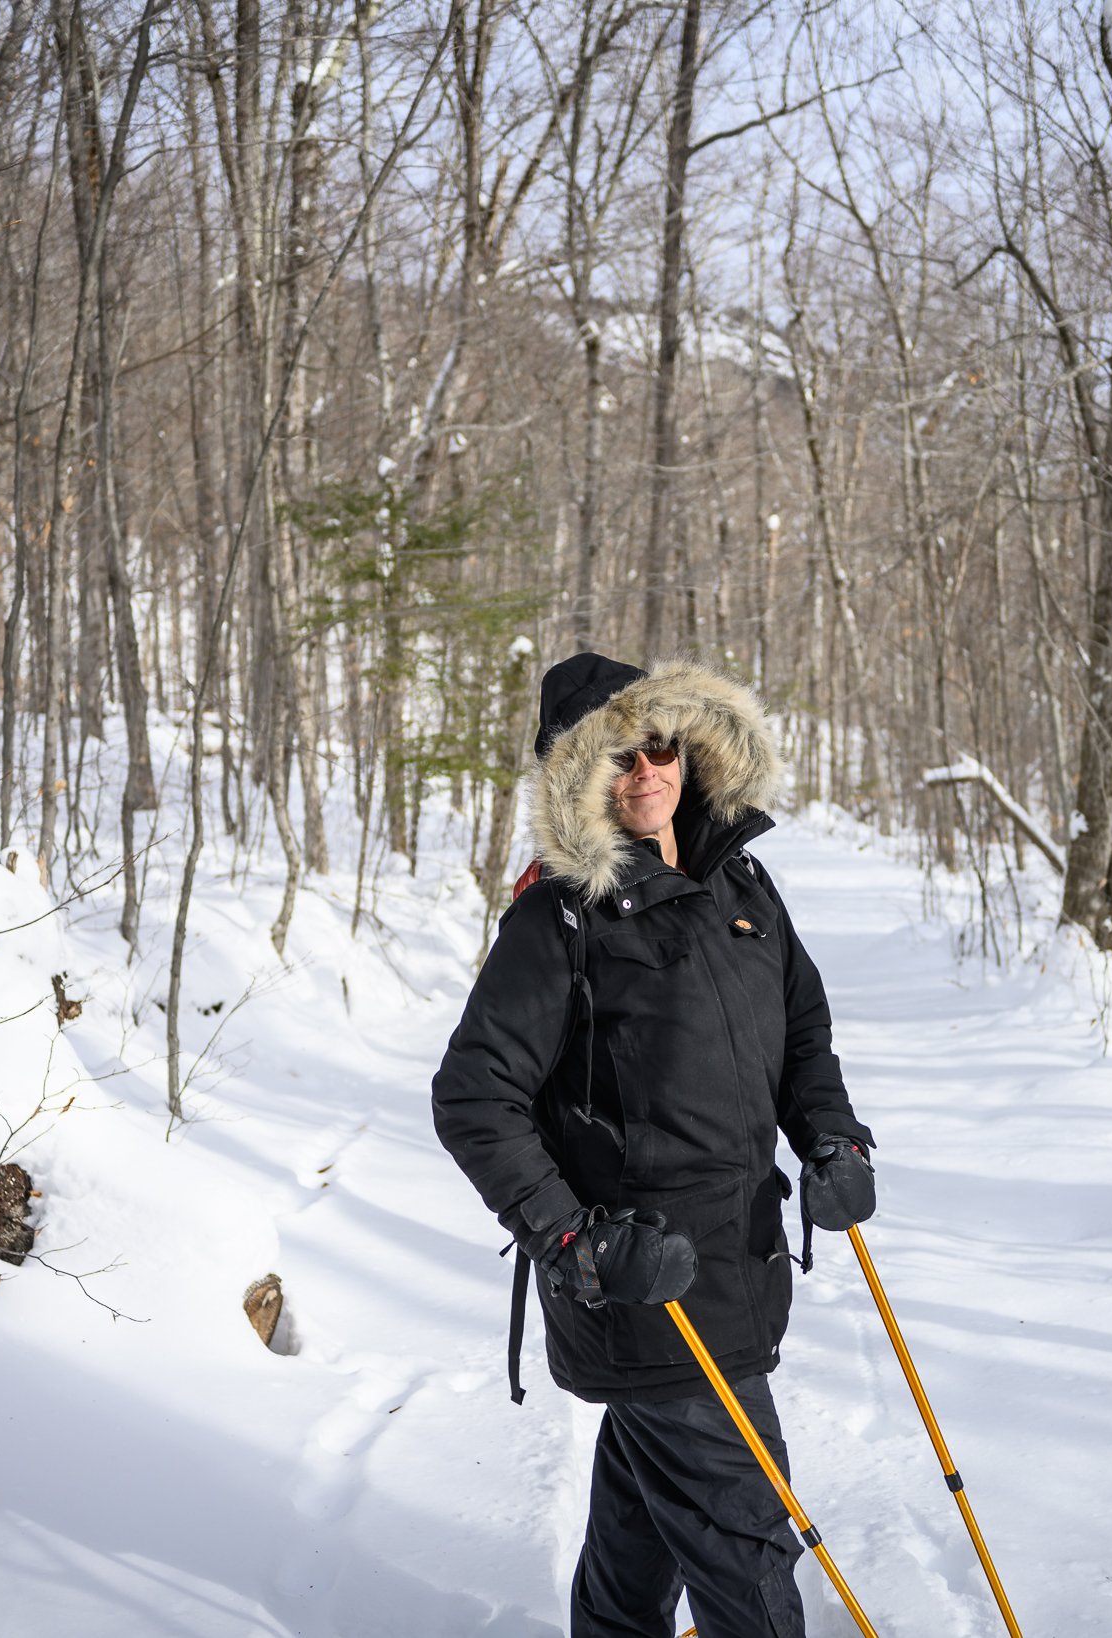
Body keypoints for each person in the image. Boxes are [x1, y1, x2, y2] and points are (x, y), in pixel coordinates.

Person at [432, 652, 878, 1638]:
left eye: (658, 745)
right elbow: (472, 1097)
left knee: (642, 1516)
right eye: (614, 757)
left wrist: (833, 1141)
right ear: (575, 775)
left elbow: (800, 1034)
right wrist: (574, 1239)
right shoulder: (558, 916)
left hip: (738, 1264)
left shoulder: (740, 884)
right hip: (641, 1289)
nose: (643, 773)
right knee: (748, 1540)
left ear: (689, 746)